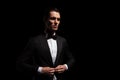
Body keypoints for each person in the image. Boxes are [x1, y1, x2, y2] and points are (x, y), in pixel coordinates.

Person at [16, 7, 75, 80]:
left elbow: (72, 59)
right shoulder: (34, 41)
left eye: (58, 19)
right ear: (45, 20)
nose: (56, 22)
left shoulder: (63, 41)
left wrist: (66, 66)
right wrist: (40, 70)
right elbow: (20, 64)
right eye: (53, 18)